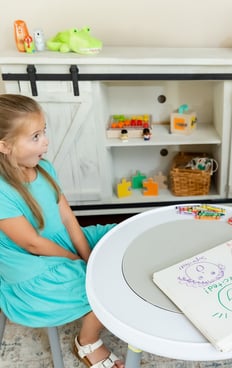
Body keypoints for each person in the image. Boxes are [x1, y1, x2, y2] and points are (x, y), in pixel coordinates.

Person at [0, 94, 124, 368]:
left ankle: (101, 282)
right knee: (106, 284)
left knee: (120, 239)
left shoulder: (43, 167)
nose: (45, 141)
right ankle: (87, 341)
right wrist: (78, 262)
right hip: (31, 268)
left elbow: (68, 219)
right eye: (35, 136)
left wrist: (87, 255)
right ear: (5, 146)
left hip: (59, 242)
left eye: (44, 132)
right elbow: (33, 244)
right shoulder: (2, 189)